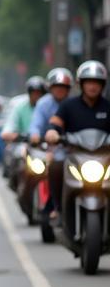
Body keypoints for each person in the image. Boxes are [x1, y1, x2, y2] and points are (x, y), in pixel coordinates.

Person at [44, 60, 110, 220]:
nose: (92, 86)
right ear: (81, 84)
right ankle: (58, 208)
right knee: (56, 166)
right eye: (89, 82)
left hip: (105, 158)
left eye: (96, 82)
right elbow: (55, 123)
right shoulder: (68, 106)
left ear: (103, 85)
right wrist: (52, 133)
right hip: (75, 156)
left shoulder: (108, 107)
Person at [29, 67, 73, 144]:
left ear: (68, 89)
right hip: (46, 147)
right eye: (56, 86)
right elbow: (36, 124)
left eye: (63, 87)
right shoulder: (43, 103)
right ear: (50, 88)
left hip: (72, 149)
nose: (59, 90)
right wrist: (35, 135)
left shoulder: (74, 103)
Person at [1, 76, 46, 142]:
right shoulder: (20, 107)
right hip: (25, 145)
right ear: (29, 93)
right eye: (33, 92)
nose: (36, 95)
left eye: (39, 93)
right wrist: (16, 136)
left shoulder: (48, 107)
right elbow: (7, 131)